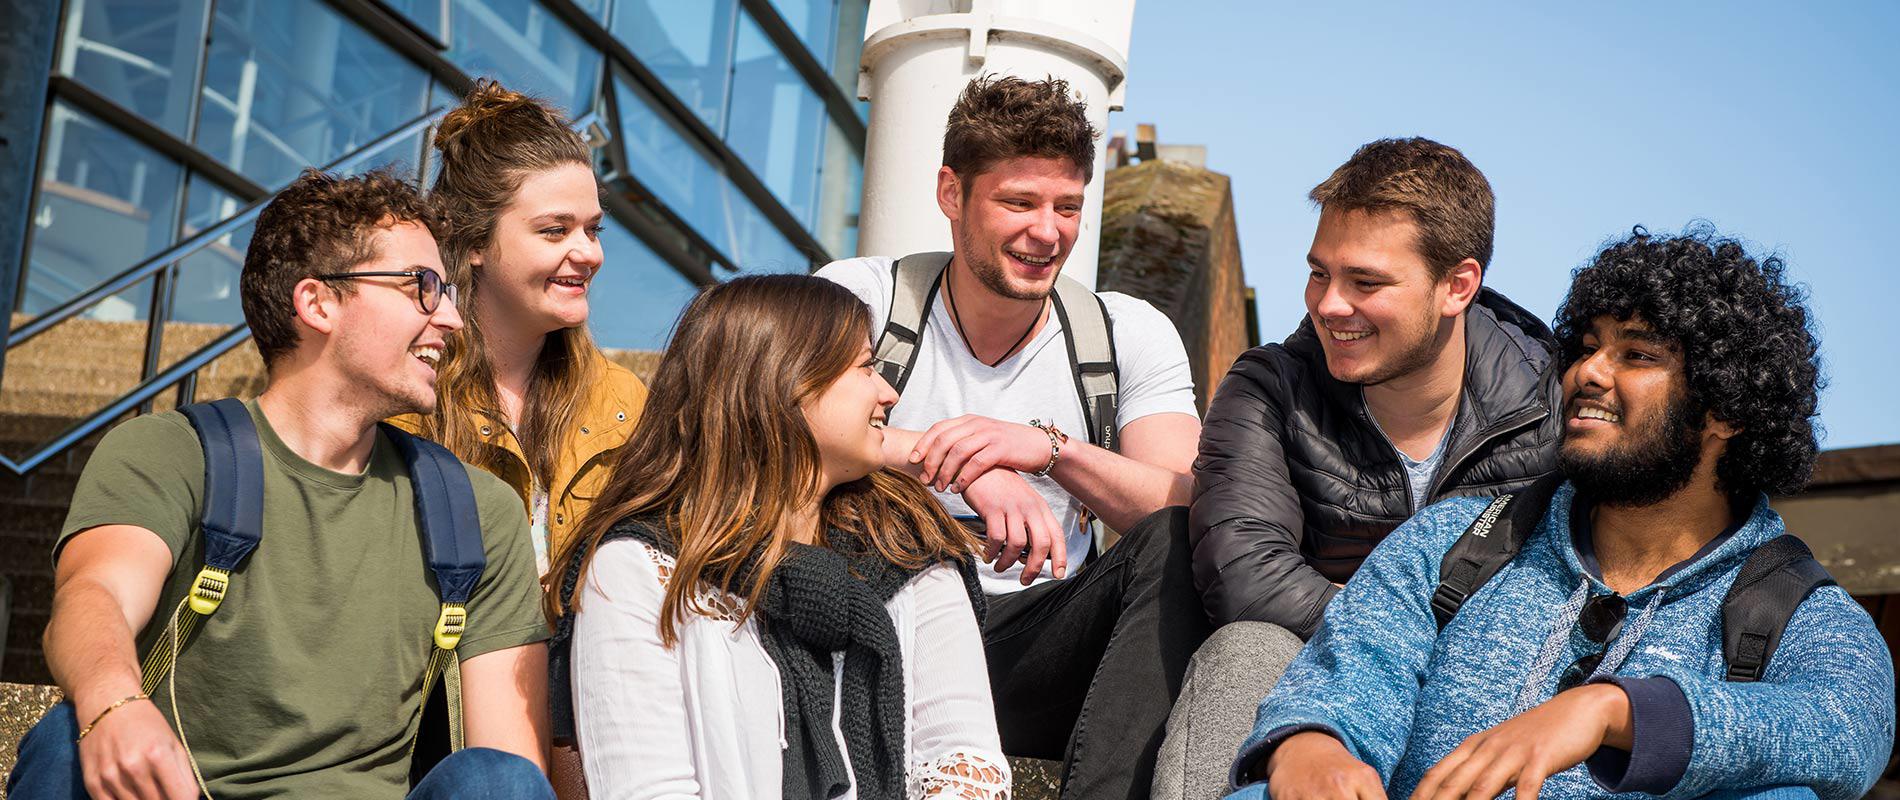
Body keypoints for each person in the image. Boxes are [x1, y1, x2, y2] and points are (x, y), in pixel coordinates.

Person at [1228, 226, 1892, 800]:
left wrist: (1615, 711)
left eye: (1636, 355)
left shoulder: (1794, 611)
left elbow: (1847, 725)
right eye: (1587, 347)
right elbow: (1350, 675)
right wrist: (1312, 744)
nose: (1588, 373)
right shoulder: (1456, 540)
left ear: (1727, 410)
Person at [7, 169, 553, 799]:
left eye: (449, 291)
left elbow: (511, 763)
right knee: (67, 738)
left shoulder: (474, 513)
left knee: (497, 781)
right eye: (422, 288)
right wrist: (113, 706)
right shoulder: (173, 454)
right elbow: (93, 594)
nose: (453, 319)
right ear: (317, 303)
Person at [817, 75, 1209, 800]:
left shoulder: (1127, 332)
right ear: (950, 194)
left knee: (1183, 539)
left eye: (1067, 207)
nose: (1047, 231)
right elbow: (774, 423)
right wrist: (968, 463)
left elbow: (1184, 500)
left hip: (1035, 645)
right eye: (1018, 202)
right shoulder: (859, 299)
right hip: (880, 628)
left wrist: (1048, 451)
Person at [1155, 138, 1562, 799]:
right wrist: (1392, 648)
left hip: (1490, 705)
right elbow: (1245, 576)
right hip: (1307, 690)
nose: (1329, 304)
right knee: (1247, 648)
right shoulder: (1271, 386)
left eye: (1365, 282)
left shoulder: (1558, 408)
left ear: (1457, 285)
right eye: (1320, 273)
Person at [547, 274, 1010, 799]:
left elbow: (964, 759)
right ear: (786, 383)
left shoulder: (907, 547)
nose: (889, 392)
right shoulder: (638, 569)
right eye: (864, 366)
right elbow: (648, 787)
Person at [393, 79, 648, 577]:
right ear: (473, 242)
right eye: (555, 230)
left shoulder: (625, 403)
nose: (589, 253)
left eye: (593, 229)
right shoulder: (400, 393)